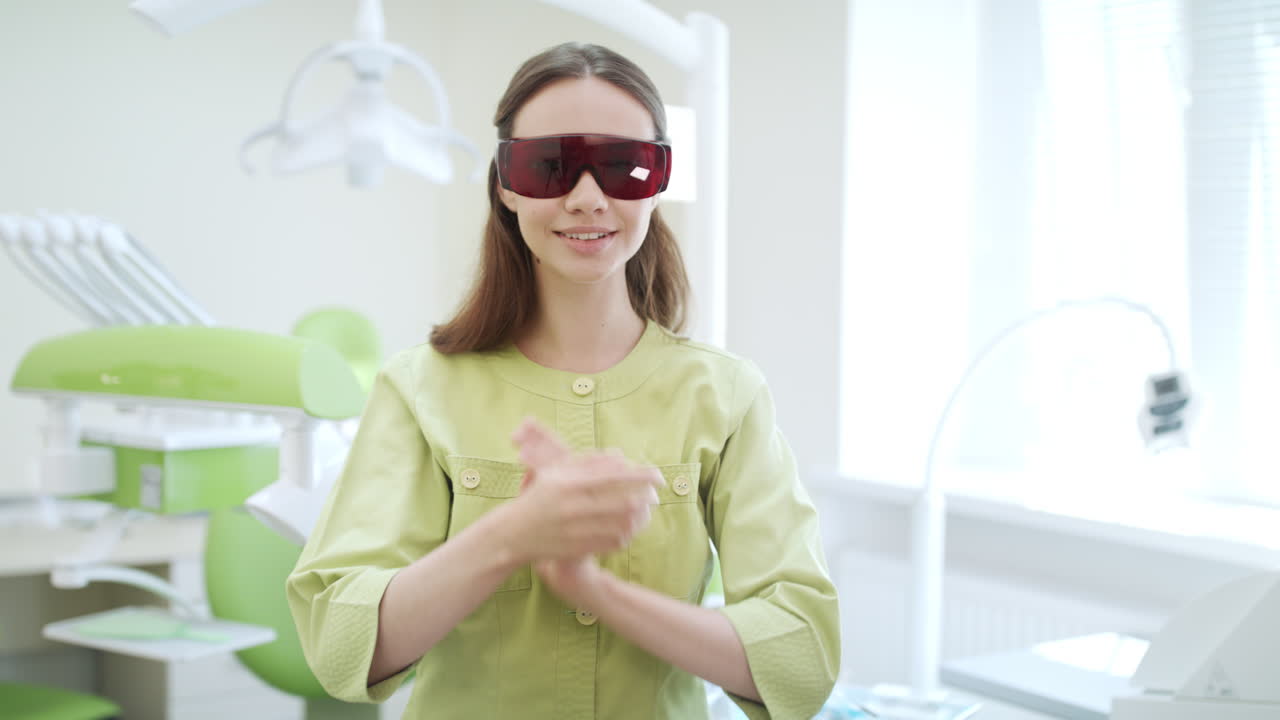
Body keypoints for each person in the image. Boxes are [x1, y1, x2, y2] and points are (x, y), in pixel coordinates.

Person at [286, 41, 840, 720]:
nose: (586, 198)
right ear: (505, 183)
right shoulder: (418, 389)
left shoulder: (726, 397)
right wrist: (512, 536)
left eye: (621, 166)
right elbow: (340, 647)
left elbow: (802, 661)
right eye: (549, 166)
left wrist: (597, 591)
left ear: (658, 179)